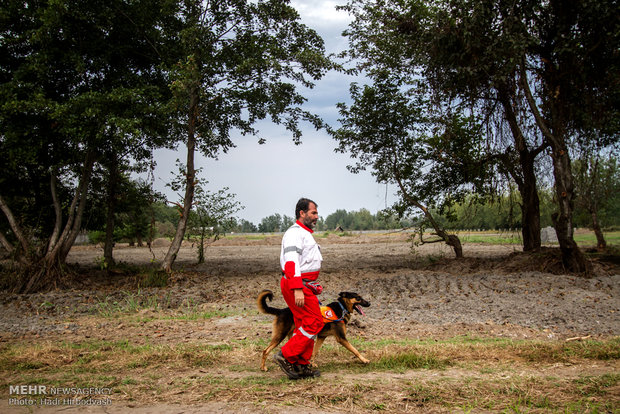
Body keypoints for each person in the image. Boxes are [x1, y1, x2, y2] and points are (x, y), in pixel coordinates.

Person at [273, 198, 324, 379]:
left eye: (316, 213)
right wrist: (297, 288)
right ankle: (286, 354)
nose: (317, 217)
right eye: (313, 213)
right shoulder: (294, 233)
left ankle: (301, 364)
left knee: (304, 323)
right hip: (296, 284)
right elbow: (291, 261)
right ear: (302, 213)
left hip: (303, 284)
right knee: (315, 321)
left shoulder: (304, 233)